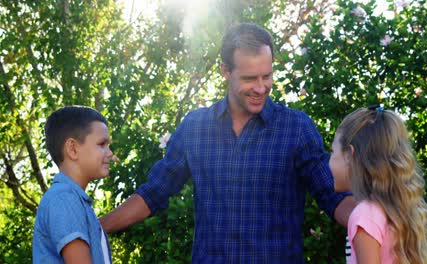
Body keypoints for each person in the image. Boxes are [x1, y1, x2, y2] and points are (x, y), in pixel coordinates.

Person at [100, 22, 355, 262]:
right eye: (249, 78)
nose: (260, 87)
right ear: (226, 71)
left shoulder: (296, 128)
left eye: (266, 76)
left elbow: (333, 195)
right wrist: (94, 227)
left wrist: (381, 223)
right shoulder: (195, 127)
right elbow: (153, 193)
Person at [329, 105, 427, 264]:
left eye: (332, 152)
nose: (329, 162)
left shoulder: (363, 216)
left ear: (350, 155)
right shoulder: (393, 210)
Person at [33, 106, 114, 264]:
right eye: (102, 144)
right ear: (72, 149)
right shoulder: (64, 199)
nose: (110, 153)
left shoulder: (75, 201)